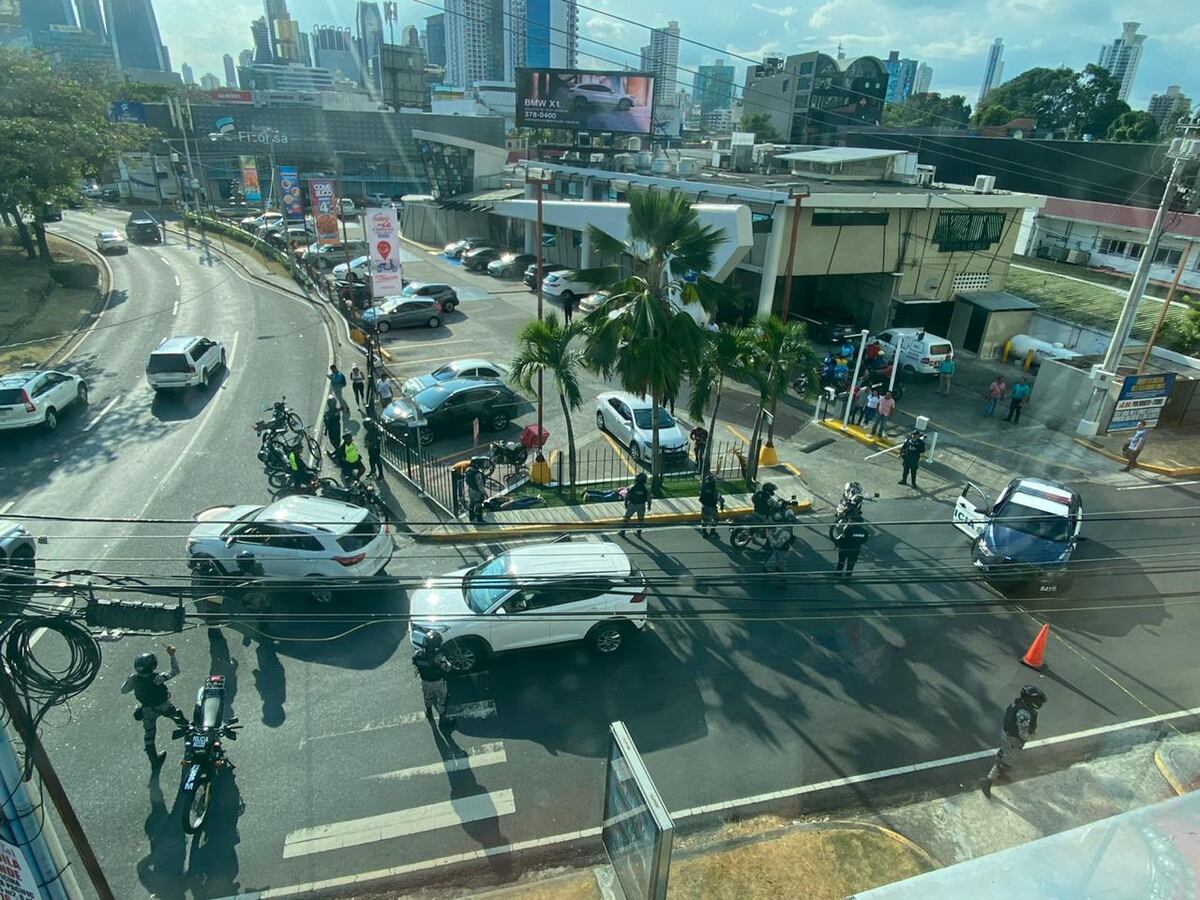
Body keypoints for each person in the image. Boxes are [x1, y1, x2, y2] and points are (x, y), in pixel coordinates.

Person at [121, 647, 188, 769]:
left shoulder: (134, 679)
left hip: (147, 710)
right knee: (179, 718)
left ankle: (154, 760)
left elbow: (123, 690)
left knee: (149, 735)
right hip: (163, 706)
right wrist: (172, 655)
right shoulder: (157, 678)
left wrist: (129, 679)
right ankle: (191, 736)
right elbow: (175, 671)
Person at [980, 685, 1047, 798]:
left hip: (1007, 734)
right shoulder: (1025, 713)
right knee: (1005, 760)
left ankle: (1001, 772)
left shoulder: (1018, 704)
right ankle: (988, 780)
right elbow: (1022, 733)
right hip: (1013, 739)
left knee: (1004, 753)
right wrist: (1031, 737)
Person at [413, 633, 455, 730]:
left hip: (425, 681)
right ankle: (442, 721)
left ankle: (429, 712)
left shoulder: (418, 654)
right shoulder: (438, 658)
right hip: (438, 682)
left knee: (427, 697)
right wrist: (445, 659)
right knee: (442, 700)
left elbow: (415, 662)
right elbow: (448, 668)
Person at [763, 508, 796, 573]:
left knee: (776, 559)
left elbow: (777, 543)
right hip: (781, 548)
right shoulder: (784, 529)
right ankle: (780, 571)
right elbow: (778, 543)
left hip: (780, 548)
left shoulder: (784, 530)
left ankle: (770, 569)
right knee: (780, 561)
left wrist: (770, 537)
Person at [619, 472, 651, 537]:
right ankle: (638, 532)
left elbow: (627, 496)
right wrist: (649, 505)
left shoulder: (632, 487)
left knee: (626, 518)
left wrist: (625, 503)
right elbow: (649, 498)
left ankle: (622, 531)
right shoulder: (646, 488)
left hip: (632, 504)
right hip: (641, 505)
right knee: (641, 519)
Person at [698, 473, 724, 537]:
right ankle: (712, 531)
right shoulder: (714, 490)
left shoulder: (703, 488)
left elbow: (700, 496)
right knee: (716, 519)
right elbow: (720, 499)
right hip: (712, 507)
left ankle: (704, 532)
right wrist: (721, 505)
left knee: (704, 520)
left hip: (704, 506)